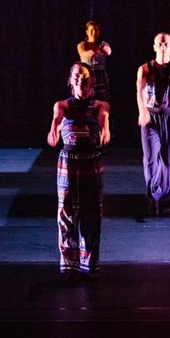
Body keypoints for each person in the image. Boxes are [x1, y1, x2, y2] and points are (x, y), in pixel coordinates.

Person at [47, 62, 111, 278]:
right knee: (66, 214)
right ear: (70, 80)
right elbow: (57, 118)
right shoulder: (62, 105)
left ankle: (89, 264)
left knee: (92, 215)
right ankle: (69, 265)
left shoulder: (100, 105)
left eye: (84, 76)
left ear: (91, 81)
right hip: (69, 163)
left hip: (92, 162)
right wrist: (54, 130)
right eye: (76, 75)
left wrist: (105, 128)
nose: (80, 79)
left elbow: (104, 117)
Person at [137, 32, 170, 216]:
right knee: (151, 158)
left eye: (166, 43)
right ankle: (154, 196)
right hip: (151, 118)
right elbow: (140, 90)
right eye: (160, 43)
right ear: (154, 47)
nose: (163, 47)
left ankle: (167, 199)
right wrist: (143, 111)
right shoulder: (145, 68)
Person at [77, 21, 112, 102]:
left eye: (96, 30)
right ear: (87, 32)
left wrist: (102, 48)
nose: (94, 33)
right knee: (87, 101)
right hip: (87, 77)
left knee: (103, 101)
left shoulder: (102, 44)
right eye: (92, 30)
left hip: (101, 77)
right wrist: (96, 51)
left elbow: (109, 51)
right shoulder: (82, 45)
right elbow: (85, 53)